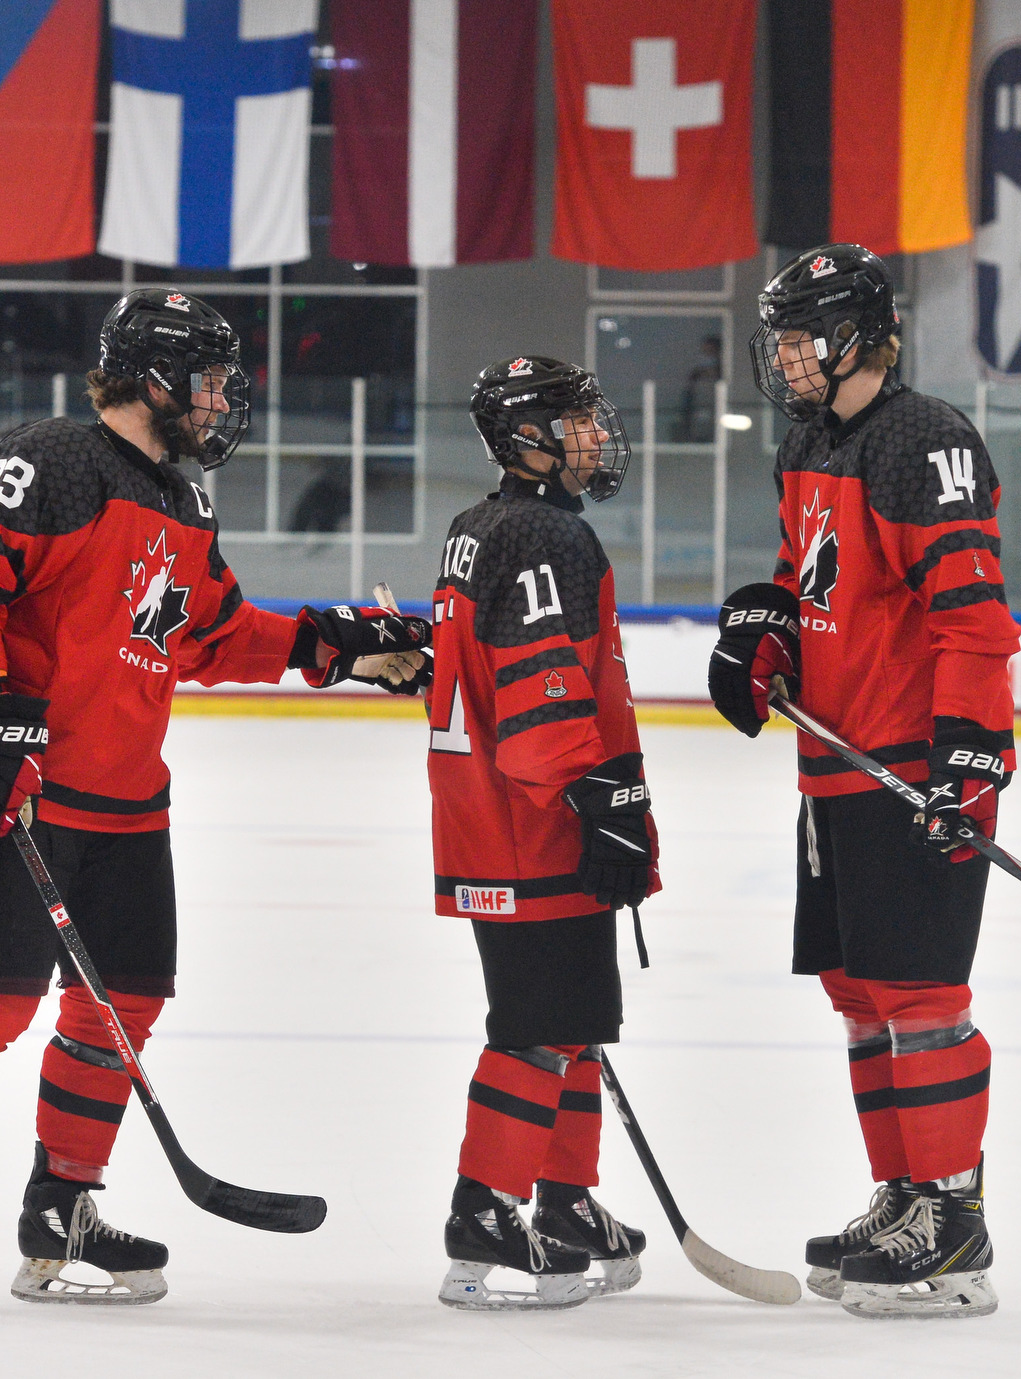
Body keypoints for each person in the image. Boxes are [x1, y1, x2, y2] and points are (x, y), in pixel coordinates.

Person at [0, 289, 430, 1311]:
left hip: (124, 801)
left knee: (121, 1006)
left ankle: (61, 1203)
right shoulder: (53, 459)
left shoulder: (185, 503)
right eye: (203, 382)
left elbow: (206, 631)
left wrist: (326, 643)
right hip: (12, 785)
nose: (217, 403)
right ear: (150, 378)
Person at [709, 245, 1019, 1320]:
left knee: (921, 995)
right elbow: (817, 585)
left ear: (855, 337)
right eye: (779, 339)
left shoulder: (922, 439)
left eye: (800, 338)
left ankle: (952, 1222)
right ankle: (902, 1198)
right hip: (833, 769)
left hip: (908, 771)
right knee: (859, 997)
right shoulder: (805, 441)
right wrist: (767, 637)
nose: (783, 358)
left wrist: (968, 759)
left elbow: (971, 620)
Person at [428, 356, 659, 1311]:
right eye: (574, 421)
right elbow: (542, 687)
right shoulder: (541, 532)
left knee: (570, 1025)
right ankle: (483, 1210)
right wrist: (597, 796)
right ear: (528, 435)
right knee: (534, 1029)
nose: (593, 437)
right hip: (540, 825)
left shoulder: (476, 526)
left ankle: (564, 1203)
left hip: (492, 824)